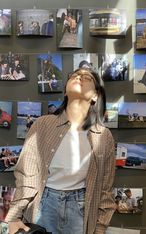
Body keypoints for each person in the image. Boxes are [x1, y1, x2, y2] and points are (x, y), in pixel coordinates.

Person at [6, 67, 116, 234]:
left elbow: (105, 189)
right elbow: (25, 174)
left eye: (87, 77)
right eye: (75, 75)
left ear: (95, 96)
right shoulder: (42, 124)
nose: (79, 77)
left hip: (81, 209)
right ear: (65, 91)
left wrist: (100, 228)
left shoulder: (104, 136)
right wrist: (14, 217)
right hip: (43, 204)